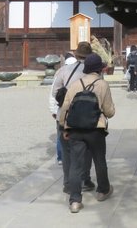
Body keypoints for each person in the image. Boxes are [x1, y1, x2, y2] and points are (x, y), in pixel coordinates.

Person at [58, 53, 116, 213]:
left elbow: (65, 107)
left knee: (76, 164)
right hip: (95, 129)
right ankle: (103, 190)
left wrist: (64, 127)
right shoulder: (102, 85)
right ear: (99, 69)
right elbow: (109, 111)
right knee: (99, 160)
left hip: (76, 129)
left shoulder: (76, 84)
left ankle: (75, 200)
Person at [50, 42, 95, 194]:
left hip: (66, 114)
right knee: (87, 148)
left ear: (76, 55)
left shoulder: (63, 70)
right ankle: (84, 179)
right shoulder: (93, 73)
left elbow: (55, 91)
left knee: (67, 150)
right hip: (87, 115)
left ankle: (68, 182)